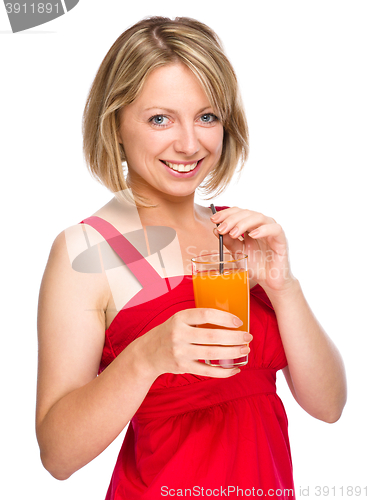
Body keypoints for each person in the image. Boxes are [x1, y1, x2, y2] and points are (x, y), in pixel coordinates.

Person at [36, 16, 347, 500]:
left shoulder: (239, 236)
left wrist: (284, 288)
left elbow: (329, 407)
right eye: (160, 118)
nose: (189, 143)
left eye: (207, 117)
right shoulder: (86, 250)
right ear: (115, 123)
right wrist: (147, 357)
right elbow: (57, 456)